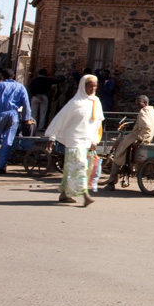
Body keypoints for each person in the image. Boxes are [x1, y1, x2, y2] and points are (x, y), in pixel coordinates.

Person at [44, 74, 103, 207]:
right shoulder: (75, 103)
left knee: (72, 168)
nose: (93, 89)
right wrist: (52, 137)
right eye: (90, 86)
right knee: (79, 166)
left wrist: (94, 140)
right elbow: (60, 120)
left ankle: (64, 193)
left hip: (87, 140)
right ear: (83, 86)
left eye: (95, 86)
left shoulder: (96, 102)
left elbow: (97, 123)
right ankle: (85, 195)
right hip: (74, 139)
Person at [105, 95, 154, 190]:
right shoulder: (152, 111)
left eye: (139, 104)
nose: (137, 107)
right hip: (145, 137)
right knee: (119, 142)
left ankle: (111, 182)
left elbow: (146, 126)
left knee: (117, 154)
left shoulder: (143, 112)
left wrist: (140, 140)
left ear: (145, 103)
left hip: (137, 137)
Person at [28, 69, 60, 136]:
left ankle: (32, 126)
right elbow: (57, 81)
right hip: (44, 97)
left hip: (35, 96)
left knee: (33, 113)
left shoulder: (34, 80)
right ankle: (40, 127)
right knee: (43, 113)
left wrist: (37, 95)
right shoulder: (47, 80)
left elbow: (31, 90)